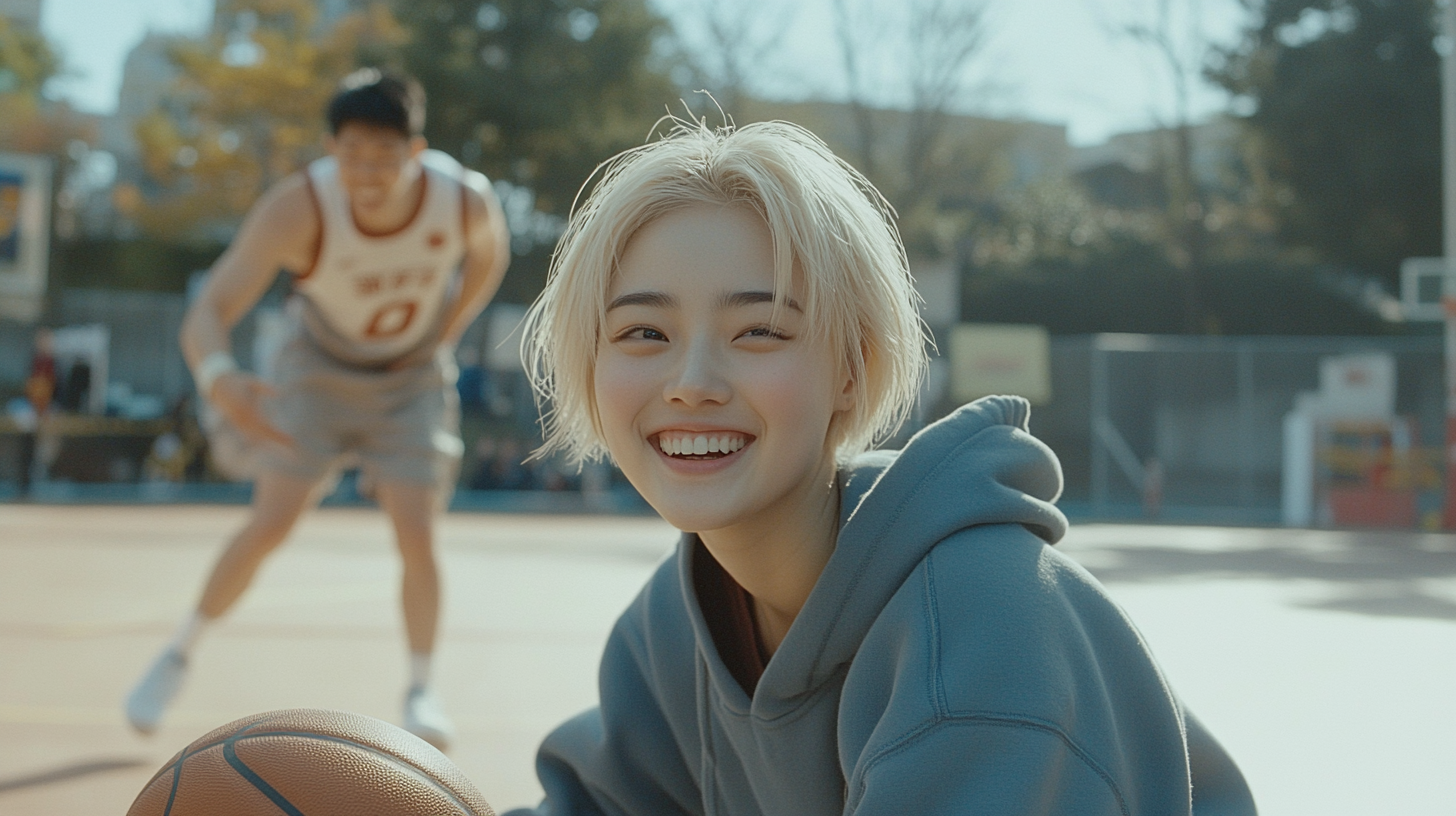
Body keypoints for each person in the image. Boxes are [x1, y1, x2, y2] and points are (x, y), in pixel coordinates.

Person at [507, 118, 1256, 814]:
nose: (692, 380)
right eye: (643, 331)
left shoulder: (981, 635)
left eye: (759, 330)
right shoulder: (675, 625)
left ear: (852, 370)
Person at [124, 69, 510, 750]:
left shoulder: (463, 201)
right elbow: (208, 310)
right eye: (353, 155)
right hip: (318, 368)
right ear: (331, 148)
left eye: (386, 157)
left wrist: (445, 334)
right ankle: (180, 651)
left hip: (410, 376)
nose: (368, 173)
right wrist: (219, 378)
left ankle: (422, 687)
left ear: (417, 151)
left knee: (417, 531)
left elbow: (490, 258)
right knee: (272, 521)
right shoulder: (297, 208)